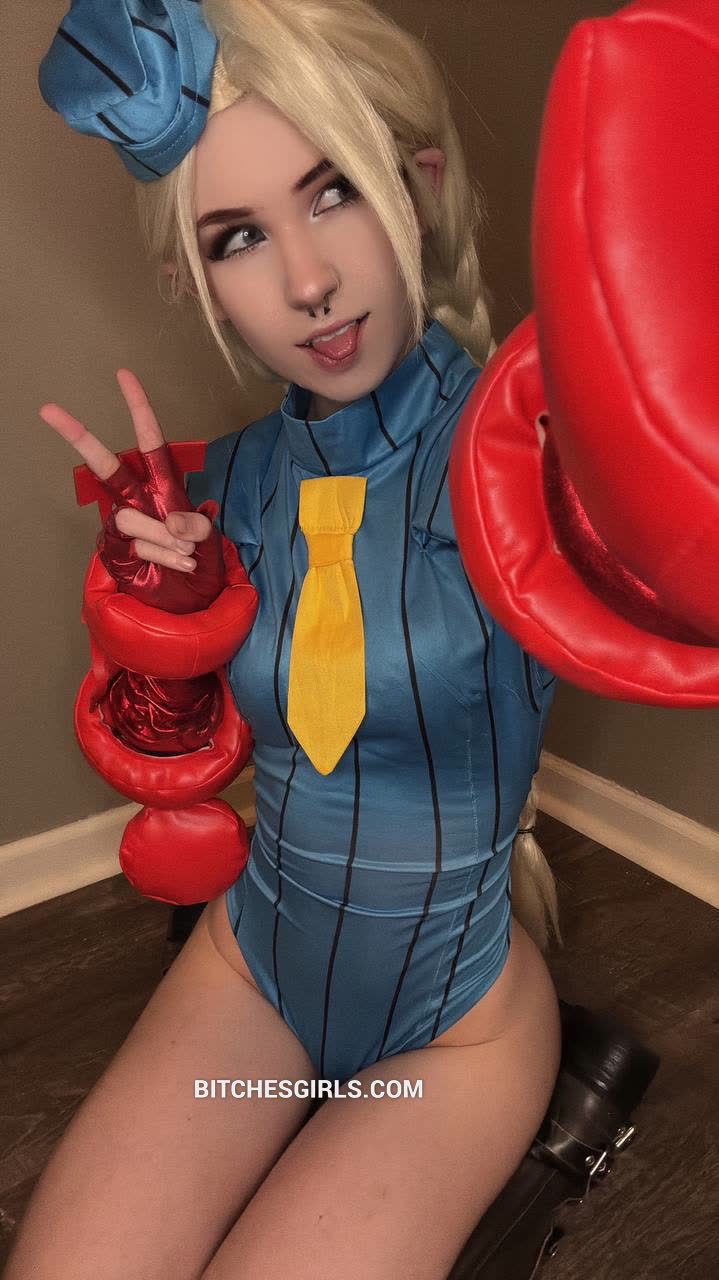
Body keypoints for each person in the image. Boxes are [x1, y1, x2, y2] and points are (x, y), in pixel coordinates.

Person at [6, 3, 563, 1276]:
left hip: (458, 1020)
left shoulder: (525, 451)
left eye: (334, 191)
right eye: (240, 236)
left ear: (418, 189)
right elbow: (185, 758)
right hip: (256, 959)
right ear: (193, 281)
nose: (306, 281)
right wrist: (169, 624)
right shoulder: (232, 485)